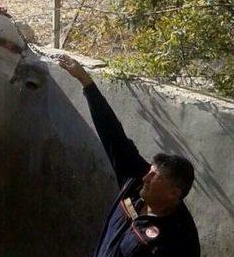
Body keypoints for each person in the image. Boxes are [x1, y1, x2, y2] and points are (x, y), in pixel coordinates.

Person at [57, 54, 200, 256]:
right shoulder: (134, 183)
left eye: (154, 177)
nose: (145, 178)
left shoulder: (179, 239)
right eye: (150, 172)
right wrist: (86, 82)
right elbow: (112, 134)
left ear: (174, 193)